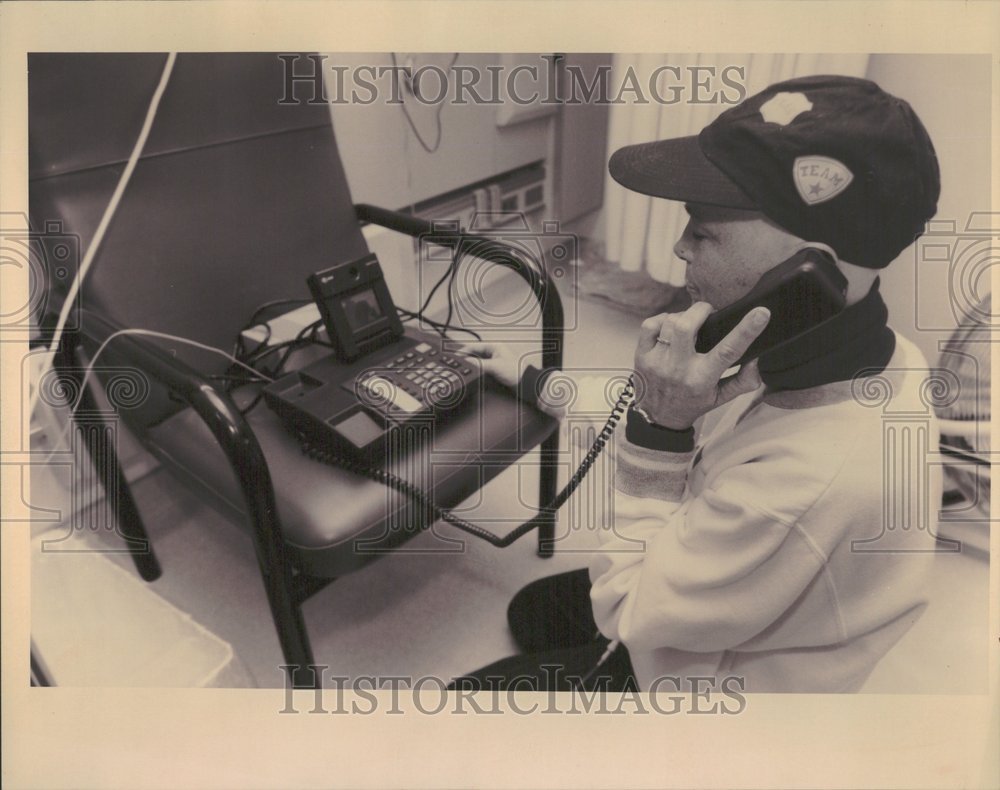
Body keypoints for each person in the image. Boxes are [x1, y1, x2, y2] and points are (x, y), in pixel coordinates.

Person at [451, 74, 943, 693]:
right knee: (533, 611)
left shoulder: (806, 484)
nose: (680, 247)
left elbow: (628, 612)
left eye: (705, 231)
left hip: (715, 697)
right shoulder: (857, 349)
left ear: (808, 268)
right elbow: (695, 401)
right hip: (731, 573)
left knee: (460, 706)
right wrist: (537, 382)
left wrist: (660, 435)